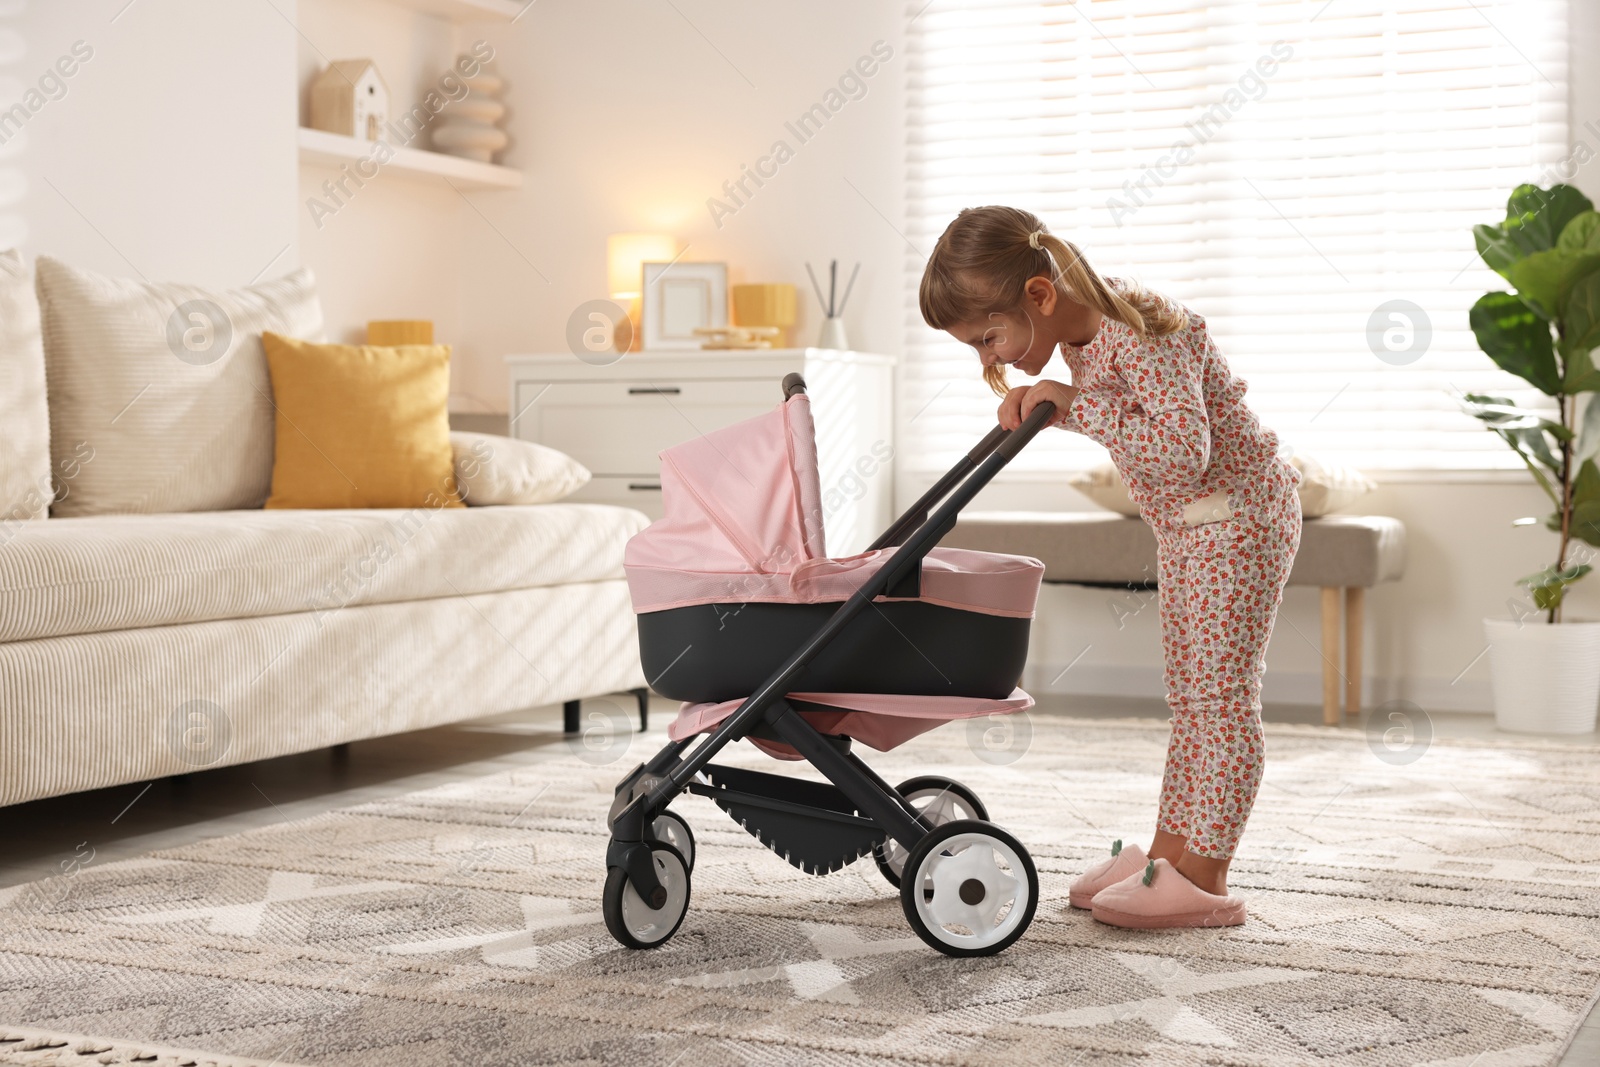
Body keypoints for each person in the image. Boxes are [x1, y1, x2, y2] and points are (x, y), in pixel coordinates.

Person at [918, 205, 1301, 928]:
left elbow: (1182, 453)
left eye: (987, 337)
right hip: (1195, 530)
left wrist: (1075, 406)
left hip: (1239, 518)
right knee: (1191, 698)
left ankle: (1206, 876)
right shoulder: (1085, 342)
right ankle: (1168, 855)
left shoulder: (1142, 327)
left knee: (1220, 699)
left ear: (1038, 295)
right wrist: (1061, 400)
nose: (987, 359)